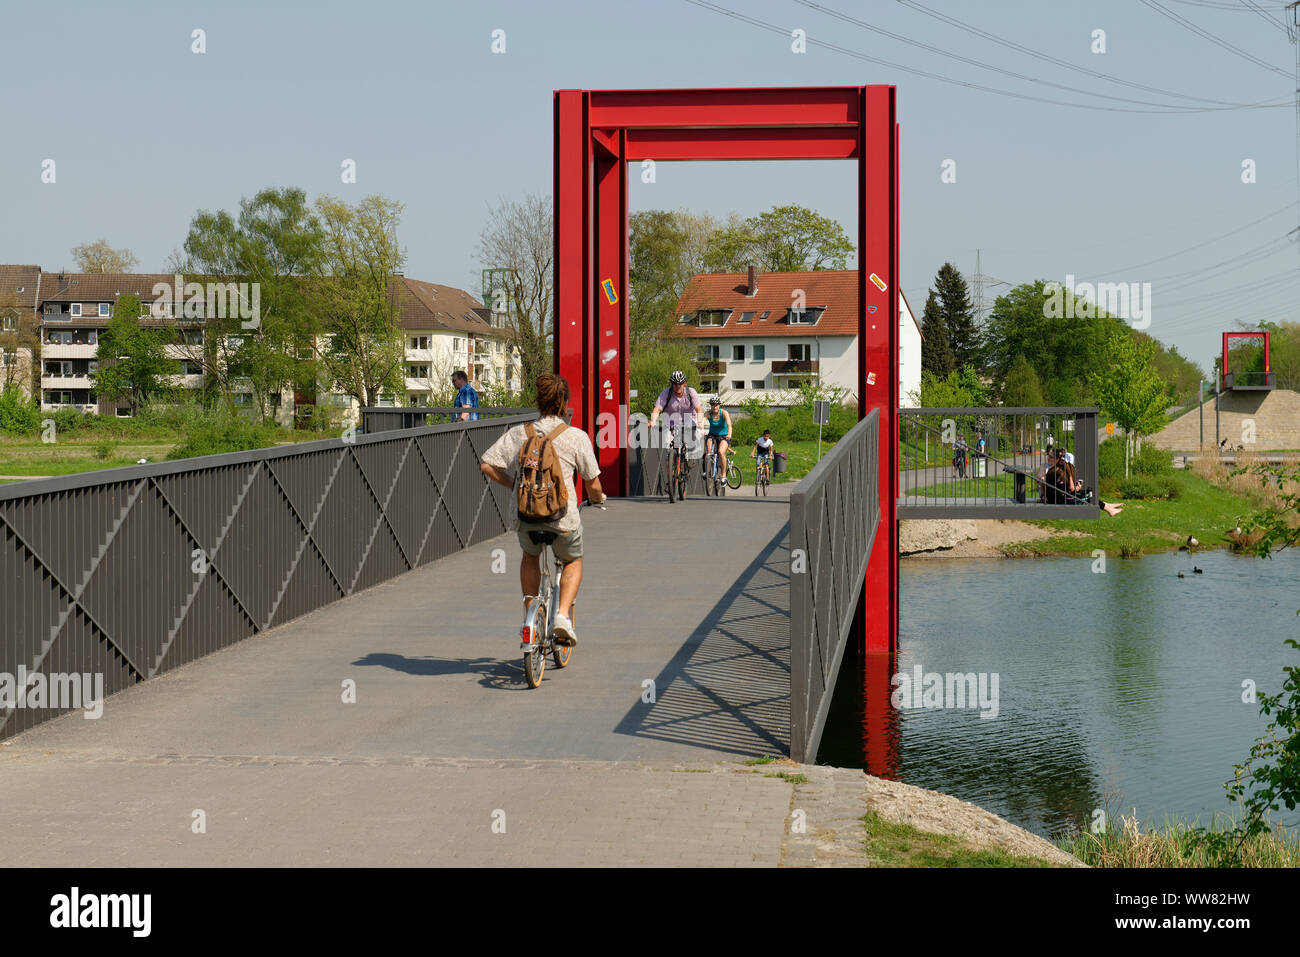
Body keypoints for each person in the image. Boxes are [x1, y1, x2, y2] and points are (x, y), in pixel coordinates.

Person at [480, 372, 605, 646]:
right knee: (573, 560)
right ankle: (561, 616)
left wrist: (514, 485)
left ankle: (529, 619)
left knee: (529, 557)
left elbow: (487, 464)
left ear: (539, 401)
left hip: (526, 517)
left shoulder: (518, 434)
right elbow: (593, 484)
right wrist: (598, 498)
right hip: (562, 519)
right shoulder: (576, 436)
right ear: (564, 403)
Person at [648, 370, 705, 445]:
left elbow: (698, 408)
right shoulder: (666, 393)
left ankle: (693, 453)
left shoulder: (691, 392)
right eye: (675, 384)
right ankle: (669, 455)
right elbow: (657, 408)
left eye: (680, 384)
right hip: (670, 423)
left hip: (689, 421)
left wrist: (700, 422)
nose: (677, 386)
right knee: (667, 444)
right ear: (672, 384)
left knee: (695, 438)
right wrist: (653, 421)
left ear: (684, 383)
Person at [703, 395, 732, 480]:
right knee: (708, 451)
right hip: (712, 434)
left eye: (716, 404)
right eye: (713, 405)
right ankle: (707, 470)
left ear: (719, 405)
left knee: (720, 452)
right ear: (711, 405)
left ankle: (723, 475)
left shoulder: (724, 413)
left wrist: (729, 434)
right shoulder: (708, 413)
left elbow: (729, 425)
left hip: (724, 436)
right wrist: (699, 427)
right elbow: (702, 421)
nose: (715, 406)